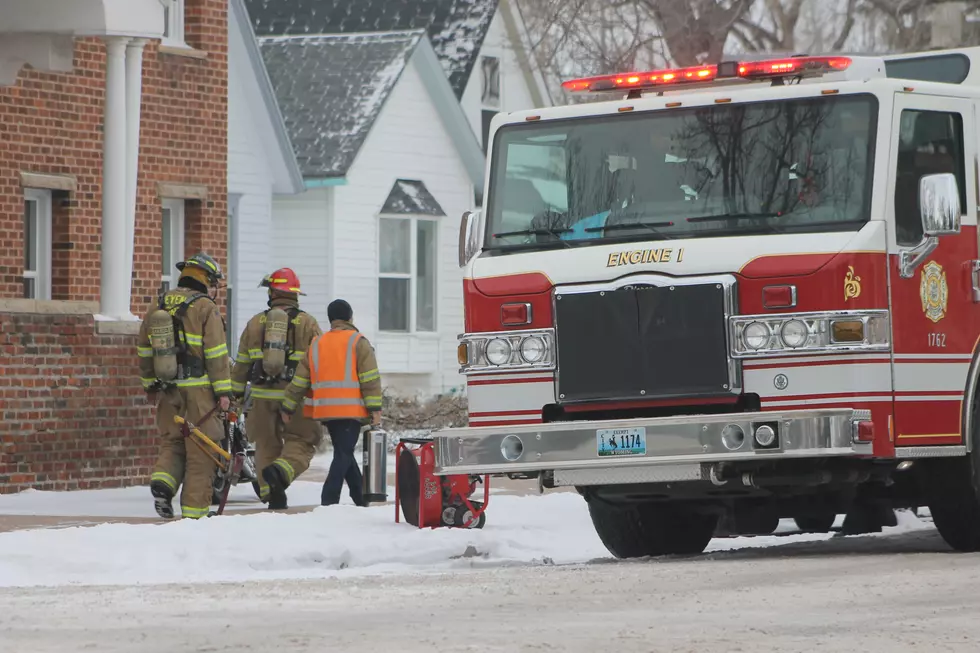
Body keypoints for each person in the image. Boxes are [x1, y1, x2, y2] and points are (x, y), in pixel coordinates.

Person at [137, 252, 233, 520]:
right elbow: (216, 353)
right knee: (201, 452)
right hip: (201, 392)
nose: (215, 288)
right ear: (205, 279)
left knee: (173, 442)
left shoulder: (159, 304)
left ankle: (163, 484)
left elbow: (145, 350)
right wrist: (224, 392)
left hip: (167, 389)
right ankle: (194, 518)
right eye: (214, 281)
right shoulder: (205, 307)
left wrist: (149, 386)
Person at [230, 268, 323, 510]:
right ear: (294, 294)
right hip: (296, 397)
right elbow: (318, 363)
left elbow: (241, 367)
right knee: (302, 441)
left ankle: (270, 493)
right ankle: (280, 473)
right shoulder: (308, 323)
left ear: (272, 292)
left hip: (261, 398)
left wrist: (235, 399)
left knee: (265, 445)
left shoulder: (254, 324)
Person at [281, 299, 382, 507]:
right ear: (350, 317)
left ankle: (360, 498)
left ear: (331, 320)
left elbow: (300, 379)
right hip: (351, 410)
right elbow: (370, 379)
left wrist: (288, 405)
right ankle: (328, 500)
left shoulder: (317, 344)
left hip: (326, 410)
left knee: (344, 452)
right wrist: (375, 409)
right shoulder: (358, 342)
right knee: (343, 453)